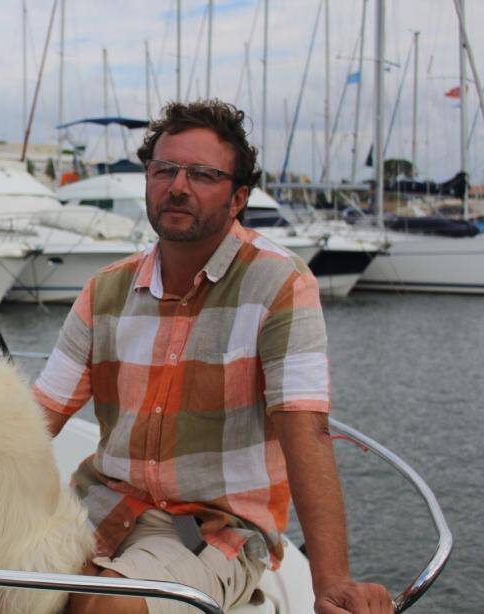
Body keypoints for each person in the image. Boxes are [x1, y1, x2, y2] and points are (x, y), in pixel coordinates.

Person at [33, 100, 393, 614]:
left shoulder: (280, 285)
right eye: (164, 169)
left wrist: (331, 580)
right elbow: (36, 418)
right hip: (97, 506)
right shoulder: (104, 290)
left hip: (209, 532)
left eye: (203, 174)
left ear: (238, 197)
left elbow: (304, 430)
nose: (178, 186)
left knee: (107, 609)